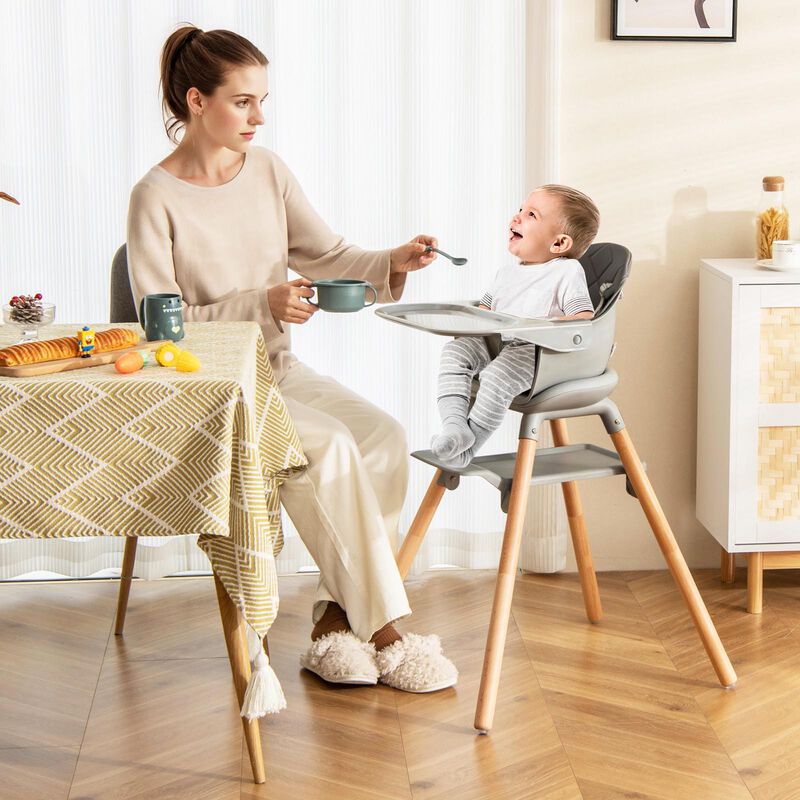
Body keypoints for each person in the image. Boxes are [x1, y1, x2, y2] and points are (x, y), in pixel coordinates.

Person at [127, 26, 458, 693]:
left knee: (382, 438)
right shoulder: (154, 197)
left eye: (263, 100)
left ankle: (338, 617)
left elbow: (327, 256)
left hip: (276, 371)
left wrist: (392, 260)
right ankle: (388, 633)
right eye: (243, 102)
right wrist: (262, 302)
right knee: (331, 447)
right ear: (196, 100)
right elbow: (160, 328)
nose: (260, 117)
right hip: (214, 391)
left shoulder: (269, 171)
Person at [431, 185, 599, 469]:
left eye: (531, 214)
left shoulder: (565, 271)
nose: (517, 217)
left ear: (558, 244)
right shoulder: (507, 272)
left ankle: (467, 450)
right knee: (454, 351)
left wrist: (542, 325)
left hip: (537, 350)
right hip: (497, 340)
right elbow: (484, 311)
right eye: (520, 210)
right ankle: (455, 426)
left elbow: (582, 317)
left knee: (497, 375)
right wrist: (465, 323)